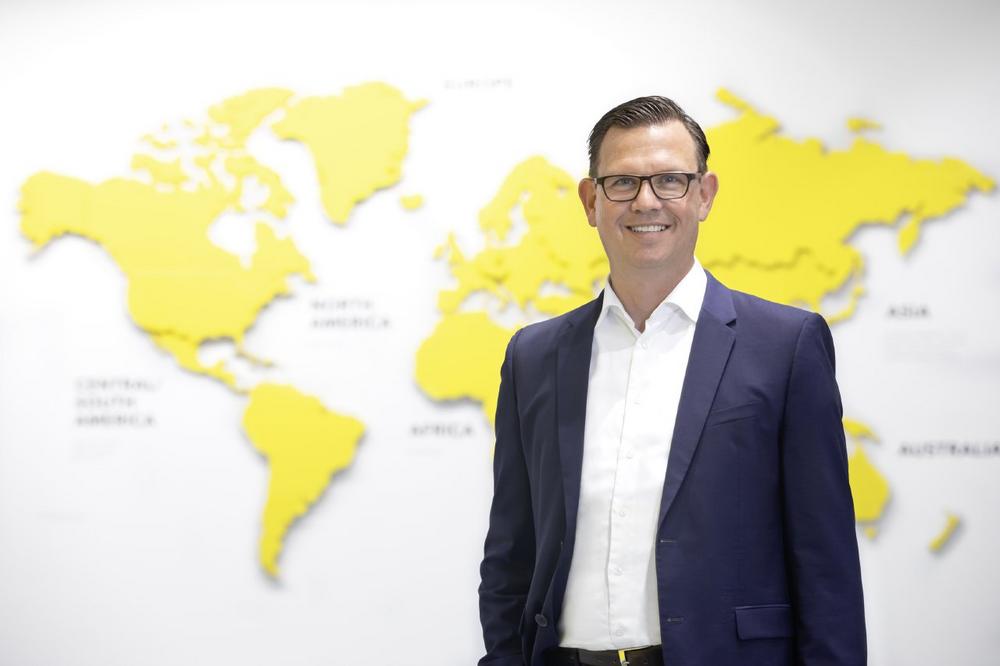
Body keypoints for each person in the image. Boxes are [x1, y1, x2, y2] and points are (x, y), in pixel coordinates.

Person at [478, 96, 866, 666]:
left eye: (670, 180)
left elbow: (825, 562)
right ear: (590, 201)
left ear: (704, 195)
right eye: (622, 182)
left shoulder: (785, 348)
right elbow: (511, 553)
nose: (646, 201)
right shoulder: (533, 357)